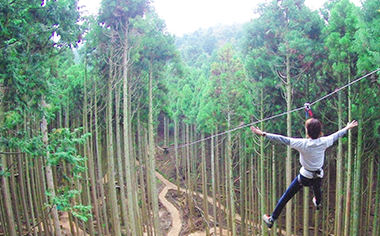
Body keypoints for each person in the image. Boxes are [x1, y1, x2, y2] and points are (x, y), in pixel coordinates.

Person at [250, 118, 358, 228]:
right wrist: (347, 128)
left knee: (286, 196)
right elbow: (337, 135)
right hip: (317, 176)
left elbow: (281, 139)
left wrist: (263, 134)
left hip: (304, 177)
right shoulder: (325, 141)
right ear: (320, 131)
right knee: (317, 191)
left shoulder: (302, 143)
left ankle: (272, 219)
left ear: (307, 131)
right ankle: (317, 203)